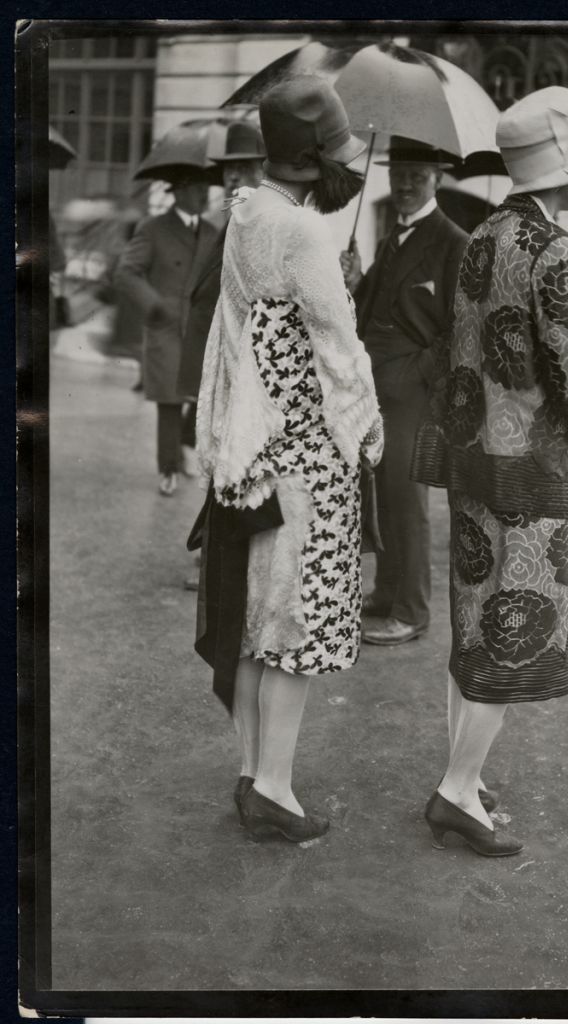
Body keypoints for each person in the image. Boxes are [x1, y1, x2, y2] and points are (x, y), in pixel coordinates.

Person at [411, 86, 568, 856]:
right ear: (562, 172)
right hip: (531, 472)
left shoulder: (481, 236)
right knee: (514, 630)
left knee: (476, 619)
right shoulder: (554, 249)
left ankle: (461, 775)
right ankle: (457, 792)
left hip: (472, 459)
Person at [194, 76, 382, 844]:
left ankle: (252, 772)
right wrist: (367, 428)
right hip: (305, 453)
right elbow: (338, 346)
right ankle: (273, 787)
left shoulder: (247, 210)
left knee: (255, 623)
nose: (349, 166)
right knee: (297, 630)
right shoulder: (303, 233)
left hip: (252, 452)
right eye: (336, 152)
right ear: (309, 160)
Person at [340, 136, 468, 646]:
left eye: (418, 174)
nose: (406, 184)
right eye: (399, 175)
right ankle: (387, 590)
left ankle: (413, 610)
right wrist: (352, 282)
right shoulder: (394, 235)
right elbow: (371, 305)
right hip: (375, 386)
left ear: (437, 178)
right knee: (381, 493)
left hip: (412, 392)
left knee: (407, 498)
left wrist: (419, 371)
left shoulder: (453, 240)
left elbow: (463, 327)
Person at [178, 118, 266, 591]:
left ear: (262, 171)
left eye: (245, 168)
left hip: (242, 368)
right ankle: (215, 552)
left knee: (233, 465)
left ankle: (221, 559)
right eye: (229, 170)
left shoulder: (255, 225)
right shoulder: (231, 222)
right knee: (217, 463)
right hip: (217, 367)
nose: (233, 178)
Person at [114, 170, 218, 496]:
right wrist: (154, 305)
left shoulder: (214, 232)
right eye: (200, 188)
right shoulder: (153, 228)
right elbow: (126, 273)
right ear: (180, 191)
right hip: (167, 327)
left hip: (201, 330)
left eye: (207, 188)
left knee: (199, 397)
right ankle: (168, 468)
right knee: (171, 401)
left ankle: (182, 448)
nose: (206, 195)